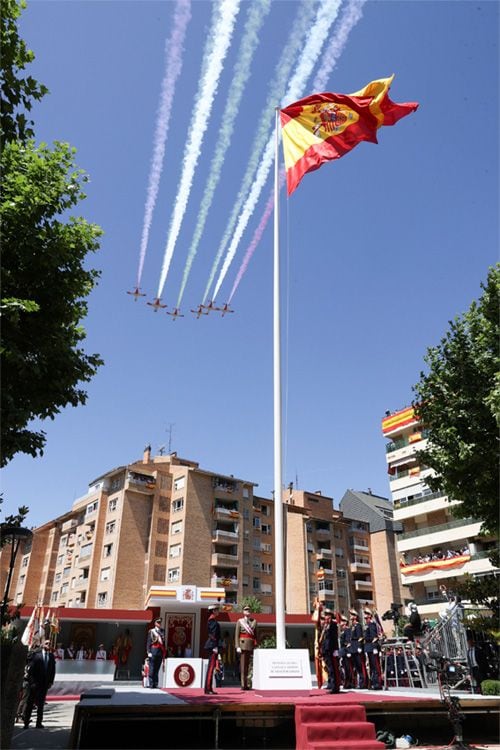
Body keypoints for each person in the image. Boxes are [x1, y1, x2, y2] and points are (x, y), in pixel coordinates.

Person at [22, 639, 56, 729]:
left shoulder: (51, 656)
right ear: (42, 645)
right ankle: (26, 722)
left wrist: (50, 682)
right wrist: (32, 683)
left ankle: (39, 723)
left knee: (40, 705)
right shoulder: (36, 656)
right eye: (47, 643)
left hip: (44, 684)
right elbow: (31, 671)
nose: (48, 644)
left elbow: (53, 670)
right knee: (30, 704)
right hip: (34, 684)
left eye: (50, 643)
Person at [235, 604, 258, 690]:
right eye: (246, 610)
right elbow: (236, 635)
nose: (247, 611)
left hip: (251, 646)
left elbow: (256, 635)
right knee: (243, 666)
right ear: (243, 612)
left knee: (249, 666)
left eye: (249, 610)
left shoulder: (254, 621)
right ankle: (243, 684)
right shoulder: (240, 621)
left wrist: (257, 644)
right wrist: (237, 646)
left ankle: (248, 684)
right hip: (243, 645)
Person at [318, 608, 340, 693]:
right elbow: (323, 639)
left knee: (333, 669)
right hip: (326, 650)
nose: (326, 617)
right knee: (329, 668)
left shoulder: (333, 624)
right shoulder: (326, 626)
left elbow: (334, 638)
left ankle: (335, 687)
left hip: (331, 649)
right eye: (325, 615)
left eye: (327, 615)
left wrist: (335, 649)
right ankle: (331, 684)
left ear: (330, 616)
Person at [347, 610, 367, 689]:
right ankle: (360, 683)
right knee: (357, 667)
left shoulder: (358, 626)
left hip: (357, 648)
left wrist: (359, 647)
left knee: (360, 666)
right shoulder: (353, 626)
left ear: (355, 616)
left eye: (352, 615)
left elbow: (360, 637)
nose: (350, 616)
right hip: (353, 649)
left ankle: (363, 683)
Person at [204, 604, 221, 694]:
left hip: (212, 645)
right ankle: (207, 689)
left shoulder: (212, 620)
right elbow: (213, 635)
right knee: (211, 668)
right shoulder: (212, 621)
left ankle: (209, 688)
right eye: (217, 610)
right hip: (212, 645)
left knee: (212, 667)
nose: (218, 611)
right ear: (213, 611)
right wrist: (215, 647)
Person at [363, 609, 383, 689]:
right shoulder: (367, 625)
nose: (365, 619)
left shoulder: (372, 625)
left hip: (372, 648)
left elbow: (374, 636)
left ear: (369, 616)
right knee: (371, 667)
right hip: (368, 648)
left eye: (366, 616)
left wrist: (375, 647)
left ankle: (377, 683)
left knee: (375, 666)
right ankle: (373, 682)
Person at [147, 617, 166, 688]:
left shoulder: (162, 631)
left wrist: (164, 652)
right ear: (155, 623)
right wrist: (148, 651)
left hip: (160, 652)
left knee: (157, 669)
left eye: (160, 622)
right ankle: (151, 684)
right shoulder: (151, 631)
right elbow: (148, 642)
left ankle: (156, 683)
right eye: (158, 622)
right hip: (153, 651)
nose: (159, 624)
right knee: (152, 668)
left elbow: (163, 643)